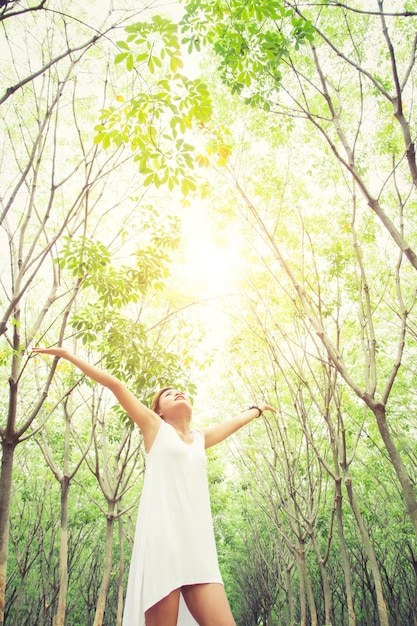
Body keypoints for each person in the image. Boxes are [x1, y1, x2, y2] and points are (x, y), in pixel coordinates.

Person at [32, 346, 275, 626]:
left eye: (180, 391)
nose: (177, 393)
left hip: (198, 548)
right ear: (158, 412)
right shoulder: (154, 428)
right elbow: (116, 385)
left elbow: (232, 424)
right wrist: (66, 354)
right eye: (168, 394)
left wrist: (256, 410)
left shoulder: (199, 439)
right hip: (163, 544)